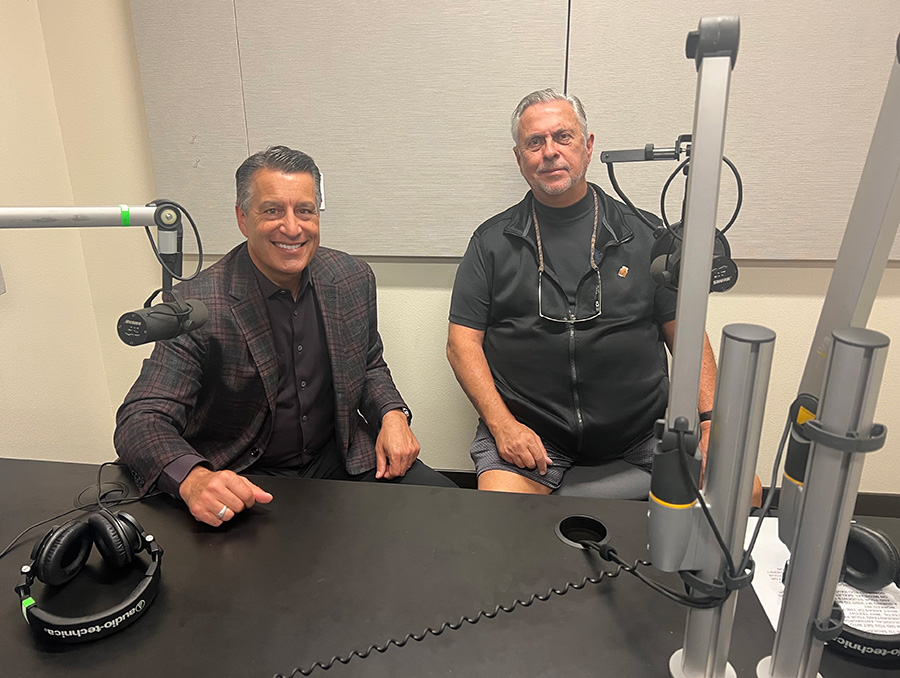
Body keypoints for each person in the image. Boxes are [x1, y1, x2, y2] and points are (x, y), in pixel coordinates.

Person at [447, 89, 761, 504]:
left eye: (563, 137)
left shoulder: (646, 236)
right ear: (519, 157)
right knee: (498, 527)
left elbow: (686, 333)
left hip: (642, 433)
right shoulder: (491, 242)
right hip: (531, 437)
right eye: (534, 142)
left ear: (588, 145)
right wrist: (502, 425)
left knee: (744, 494)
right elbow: (460, 344)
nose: (550, 152)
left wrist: (707, 421)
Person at [116, 145, 455, 526]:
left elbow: (369, 363)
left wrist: (393, 415)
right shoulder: (198, 302)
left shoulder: (351, 277)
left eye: (305, 211)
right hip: (248, 475)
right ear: (243, 218)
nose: (293, 228)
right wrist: (193, 480)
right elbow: (141, 418)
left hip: (341, 459)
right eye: (273, 210)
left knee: (455, 516)